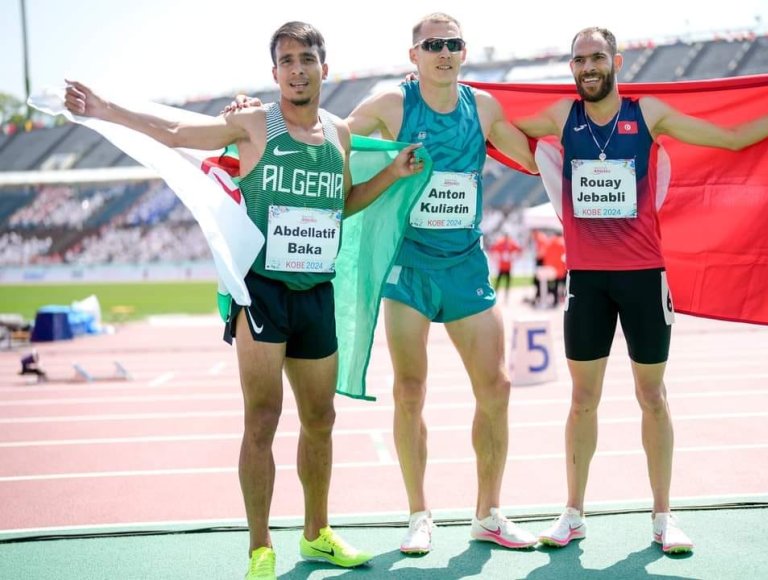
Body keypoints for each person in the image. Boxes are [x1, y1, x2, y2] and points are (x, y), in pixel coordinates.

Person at [65, 21, 423, 579]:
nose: (298, 69)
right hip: (261, 292)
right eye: (287, 60)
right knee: (262, 418)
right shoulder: (256, 122)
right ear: (274, 71)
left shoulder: (338, 134)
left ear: (324, 68)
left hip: (315, 293)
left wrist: (395, 175)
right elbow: (180, 131)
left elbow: (341, 204)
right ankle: (261, 547)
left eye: (307, 58)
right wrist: (108, 107)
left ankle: (317, 534)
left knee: (321, 418)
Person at [515, 26, 768, 553]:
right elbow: (498, 128)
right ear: (571, 67)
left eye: (597, 57)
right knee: (582, 399)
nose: (588, 67)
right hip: (587, 281)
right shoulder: (562, 118)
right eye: (579, 60)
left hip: (644, 276)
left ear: (616, 61)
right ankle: (573, 512)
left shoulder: (648, 115)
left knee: (653, 397)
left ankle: (663, 517)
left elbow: (732, 139)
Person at [346, 12, 540, 553]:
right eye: (433, 44)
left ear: (464, 51)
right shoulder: (392, 104)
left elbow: (531, 156)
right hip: (408, 267)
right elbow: (333, 137)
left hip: (464, 266)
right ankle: (418, 514)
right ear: (414, 55)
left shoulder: (482, 107)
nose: (444, 52)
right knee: (409, 391)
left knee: (497, 388)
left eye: (453, 43)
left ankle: (489, 513)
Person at [489, 232, 523, 299]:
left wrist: (515, 258)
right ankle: (495, 295)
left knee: (507, 282)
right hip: (501, 266)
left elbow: (520, 250)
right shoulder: (500, 243)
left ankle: (506, 296)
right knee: (498, 282)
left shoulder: (511, 243)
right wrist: (495, 259)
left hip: (508, 266)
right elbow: (492, 249)